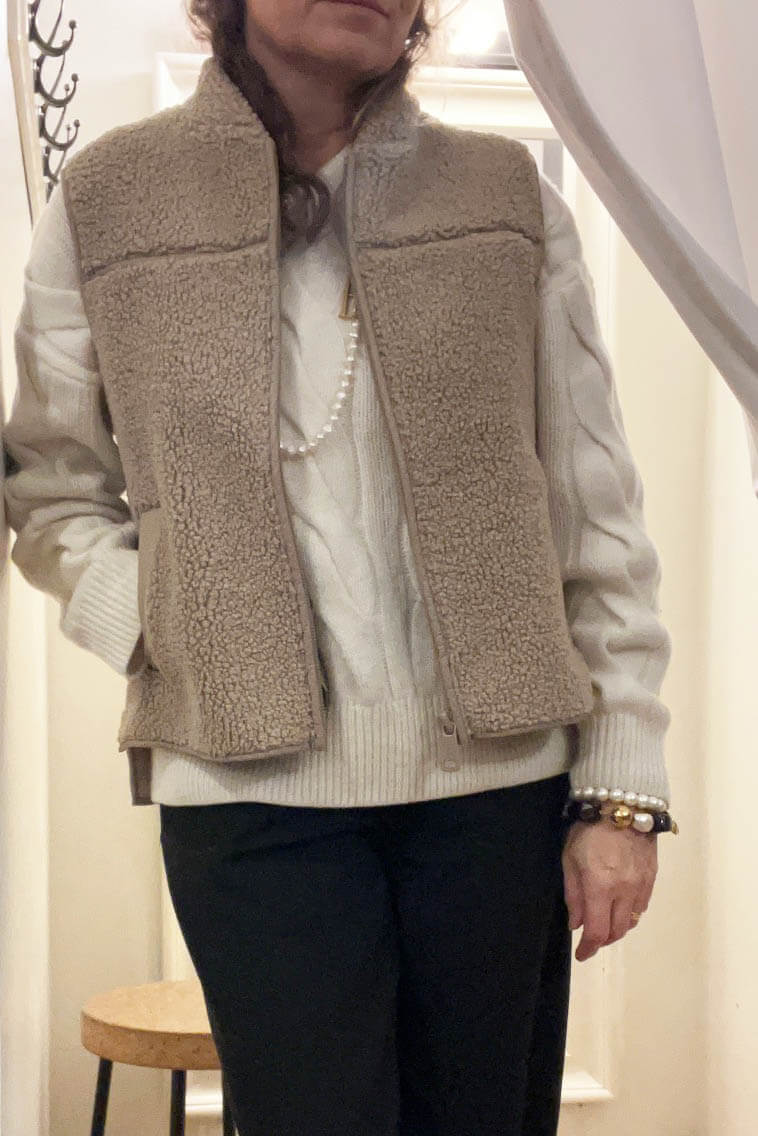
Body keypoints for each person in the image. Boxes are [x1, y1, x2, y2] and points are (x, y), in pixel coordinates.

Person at [2, 1, 676, 1132]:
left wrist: (622, 790)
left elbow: (593, 510)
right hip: (249, 807)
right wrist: (165, 626)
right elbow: (48, 487)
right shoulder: (111, 197)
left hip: (497, 801)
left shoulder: (504, 197)